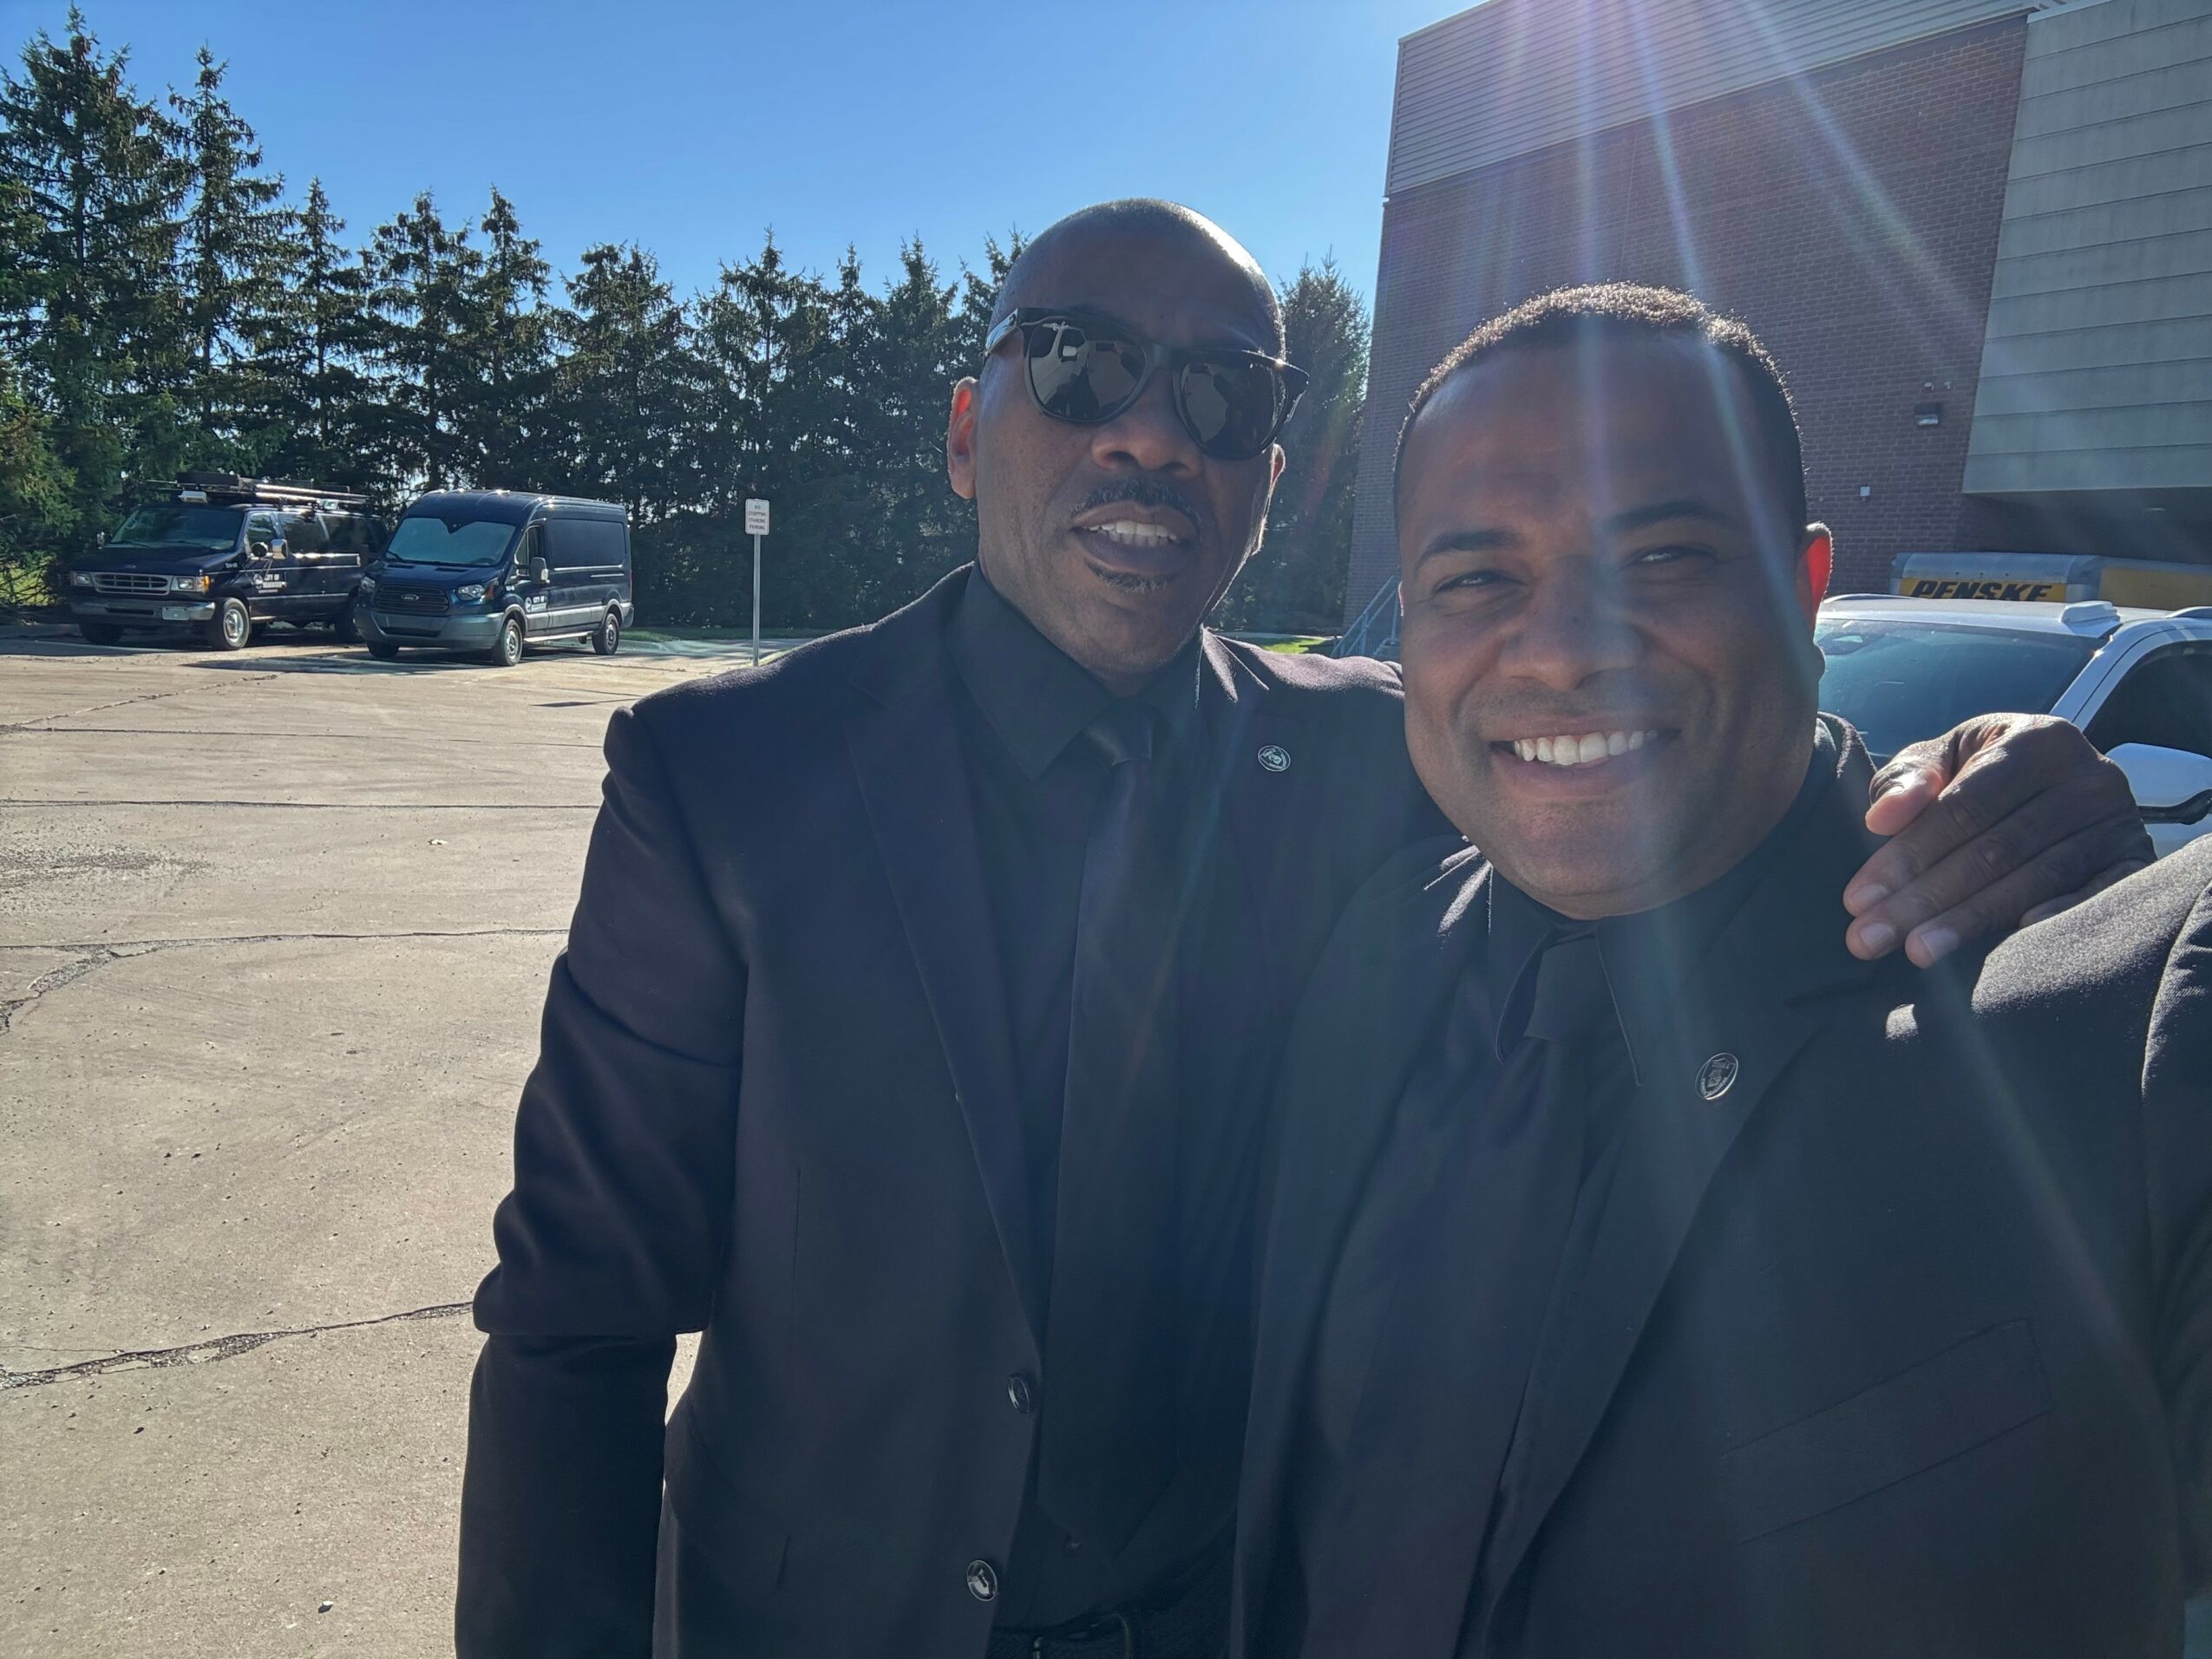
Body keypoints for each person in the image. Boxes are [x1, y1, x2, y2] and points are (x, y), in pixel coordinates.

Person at [455, 206, 2144, 1659]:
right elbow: (573, 1322)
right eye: (1081, 365)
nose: (1150, 434)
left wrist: (1953, 788)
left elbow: (1653, 734)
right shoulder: (729, 775)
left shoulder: (1367, 753)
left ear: (1266, 479)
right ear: (970, 430)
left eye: (1225, 397)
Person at [1233, 284, 2212, 1658]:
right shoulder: (1367, 960)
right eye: (1474, 578)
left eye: (1664, 557)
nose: (1566, 647)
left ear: (1806, 586)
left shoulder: (2093, 1023)